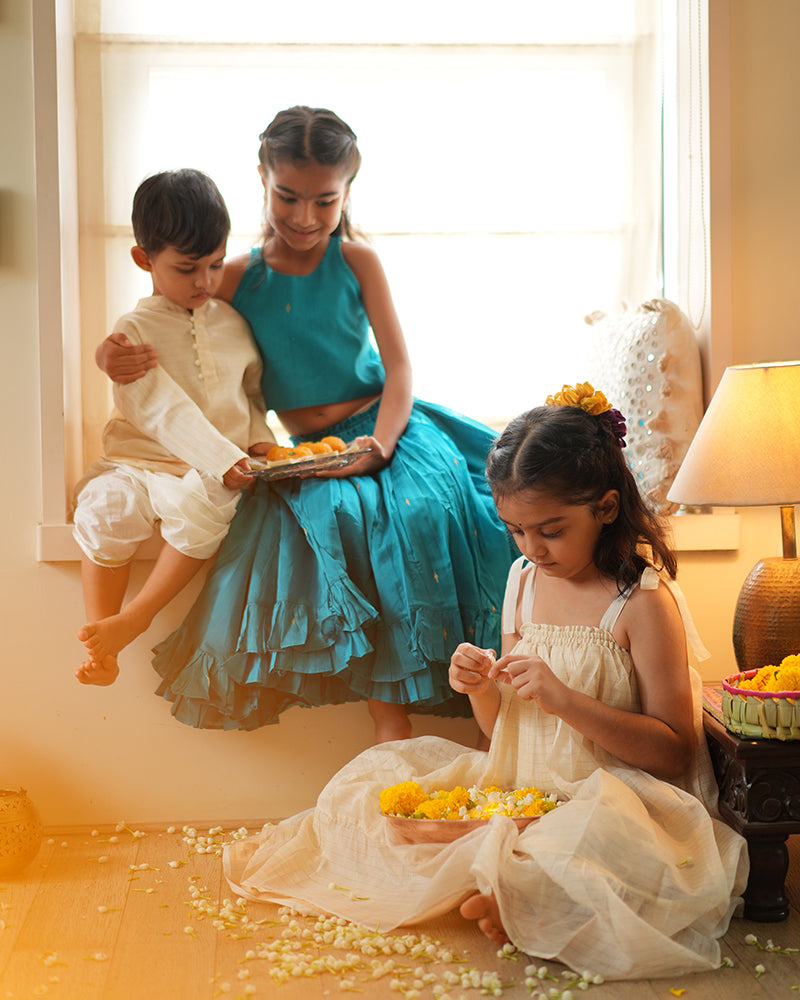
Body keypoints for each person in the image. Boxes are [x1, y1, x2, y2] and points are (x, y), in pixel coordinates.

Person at [220, 384, 749, 980]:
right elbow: (507, 733)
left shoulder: (640, 603)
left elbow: (674, 754)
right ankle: (511, 890)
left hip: (621, 796)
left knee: (586, 843)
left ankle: (518, 895)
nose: (532, 548)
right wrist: (481, 689)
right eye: (515, 530)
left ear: (604, 507)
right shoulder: (523, 580)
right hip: (526, 788)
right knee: (373, 796)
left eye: (550, 529)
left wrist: (567, 700)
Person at [96, 106, 516, 741]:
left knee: (426, 513)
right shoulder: (231, 276)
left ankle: (491, 714)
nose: (304, 217)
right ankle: (388, 727)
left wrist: (382, 445)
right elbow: (177, 336)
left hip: (389, 428)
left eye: (325, 201)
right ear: (261, 178)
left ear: (347, 192)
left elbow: (400, 368)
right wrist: (109, 355)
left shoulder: (358, 262)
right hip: (307, 450)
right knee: (344, 528)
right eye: (287, 197)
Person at [73, 168, 275, 686]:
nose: (205, 281)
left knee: (207, 504)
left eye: (213, 264)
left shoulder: (232, 323)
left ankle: (134, 619)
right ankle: (101, 640)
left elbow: (250, 392)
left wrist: (258, 441)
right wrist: (222, 457)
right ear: (145, 259)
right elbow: (157, 406)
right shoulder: (133, 331)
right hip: (138, 461)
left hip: (209, 474)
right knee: (103, 508)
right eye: (187, 268)